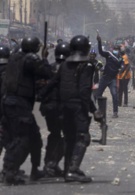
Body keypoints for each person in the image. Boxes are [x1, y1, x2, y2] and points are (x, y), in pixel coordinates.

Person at [39, 35, 94, 183]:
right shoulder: (87, 65)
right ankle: (73, 170)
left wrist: (40, 96)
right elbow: (84, 91)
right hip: (78, 106)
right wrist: (94, 110)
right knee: (82, 137)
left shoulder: (64, 65)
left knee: (69, 138)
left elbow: (52, 83)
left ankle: (67, 170)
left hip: (64, 106)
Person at [2, 37, 52, 185]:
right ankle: (9, 172)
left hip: (14, 103)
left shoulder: (15, 57)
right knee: (20, 139)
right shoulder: (31, 59)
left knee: (35, 138)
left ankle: (35, 170)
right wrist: (44, 58)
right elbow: (46, 72)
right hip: (18, 103)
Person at [39, 42, 70, 177]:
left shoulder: (49, 68)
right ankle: (55, 164)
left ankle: (50, 164)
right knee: (68, 137)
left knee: (54, 135)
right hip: (63, 108)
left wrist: (44, 58)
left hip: (50, 108)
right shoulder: (69, 70)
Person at [96, 35, 121, 118]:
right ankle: (100, 110)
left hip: (112, 79)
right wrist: (99, 42)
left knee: (114, 95)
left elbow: (122, 67)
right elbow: (100, 51)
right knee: (98, 94)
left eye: (117, 49)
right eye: (115, 49)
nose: (115, 50)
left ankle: (115, 112)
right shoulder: (108, 54)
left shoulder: (120, 59)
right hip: (105, 77)